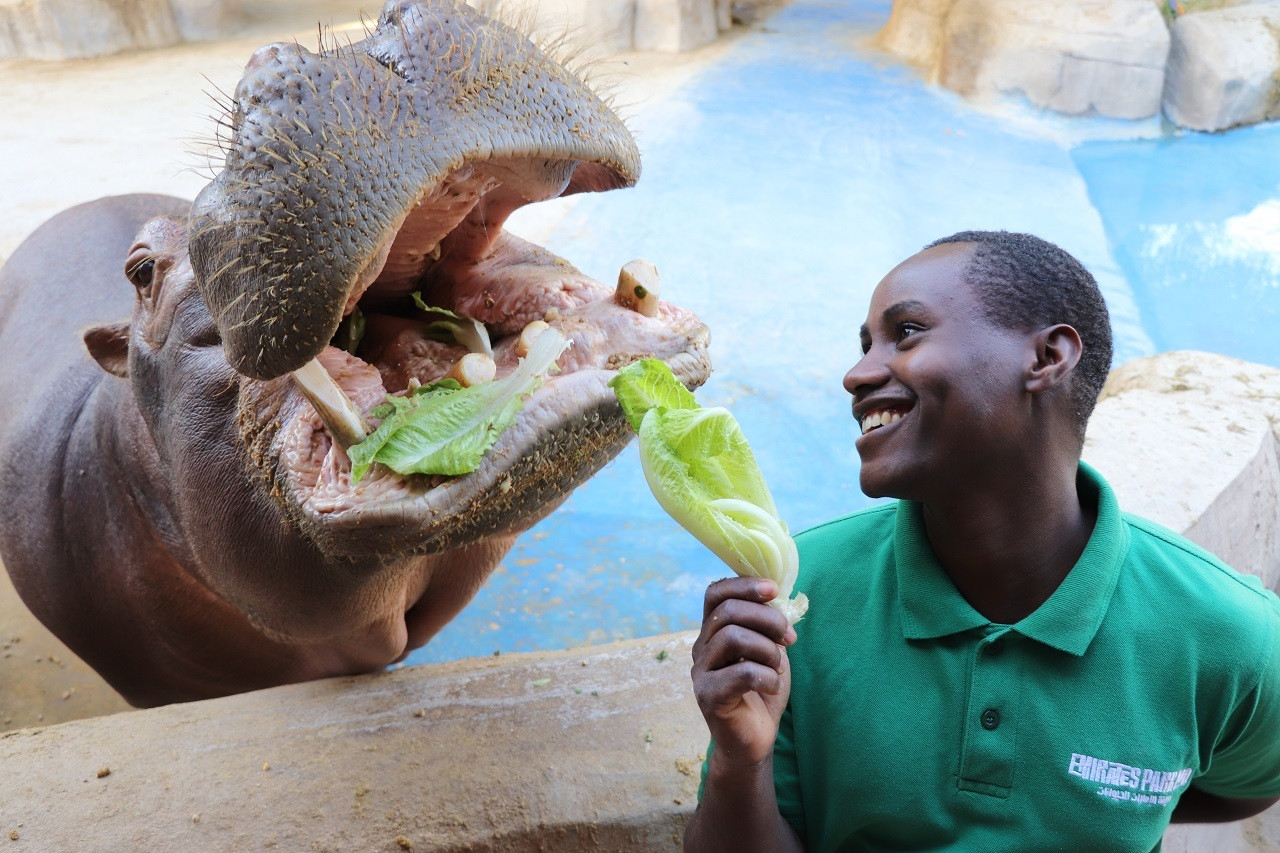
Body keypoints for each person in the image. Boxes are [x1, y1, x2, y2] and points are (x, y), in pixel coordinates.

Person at [683, 232, 1280, 852]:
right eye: (865, 346)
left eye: (906, 332)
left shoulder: (1228, 633)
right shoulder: (802, 599)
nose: (856, 375)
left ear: (1047, 357)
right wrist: (739, 761)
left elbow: (1254, 783)